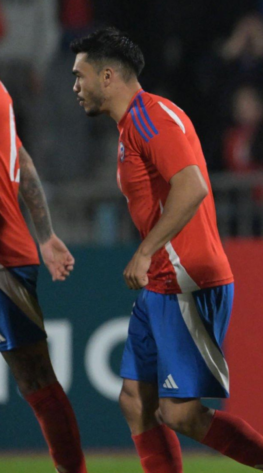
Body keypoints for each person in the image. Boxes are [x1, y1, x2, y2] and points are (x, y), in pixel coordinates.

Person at [70, 28, 263, 473]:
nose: (75, 86)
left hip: (186, 278)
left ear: (108, 76)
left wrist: (146, 249)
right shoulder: (133, 125)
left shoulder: (151, 119)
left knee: (181, 413)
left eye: (81, 76)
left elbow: (192, 187)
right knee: (135, 401)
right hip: (161, 282)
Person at [0, 82, 86, 472]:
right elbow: (22, 158)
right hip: (13, 251)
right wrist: (46, 235)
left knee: (34, 376)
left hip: (5, 258)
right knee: (35, 378)